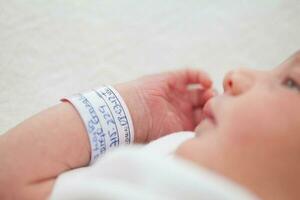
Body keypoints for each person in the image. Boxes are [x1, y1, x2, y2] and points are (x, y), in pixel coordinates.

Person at [0, 51, 299, 199]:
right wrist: (131, 112)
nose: (235, 75)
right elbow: (11, 179)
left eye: (290, 83)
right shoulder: (158, 166)